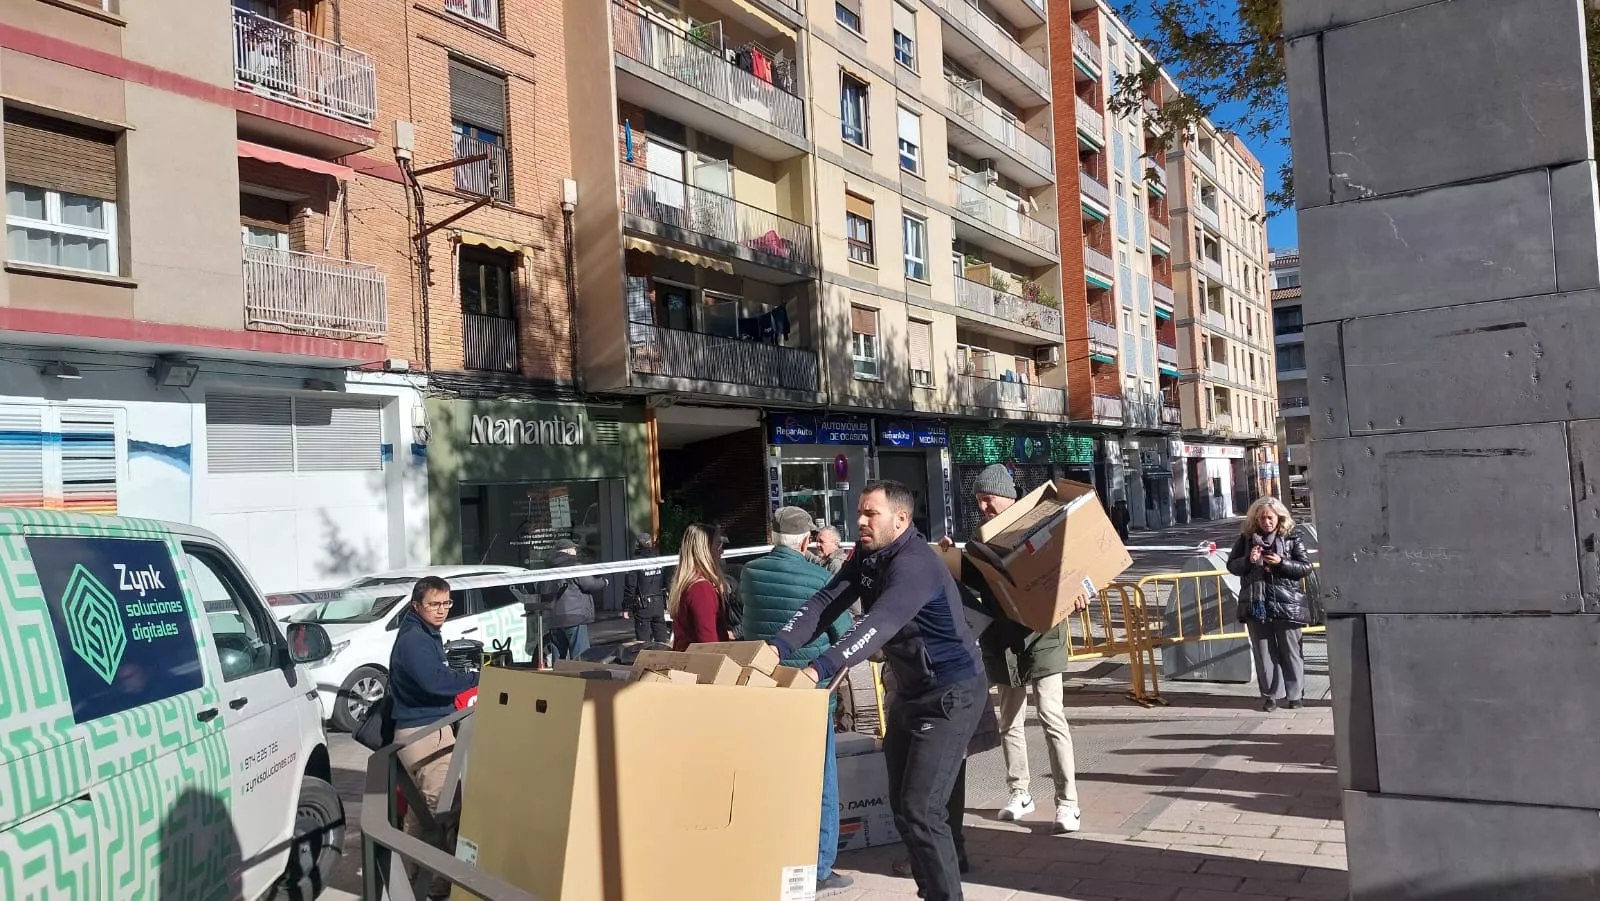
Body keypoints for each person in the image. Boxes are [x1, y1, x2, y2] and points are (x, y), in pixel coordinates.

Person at [770, 481, 984, 901]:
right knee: (903, 808)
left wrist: (819, 668)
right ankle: (932, 891)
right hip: (911, 689)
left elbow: (877, 624)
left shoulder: (916, 564)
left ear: (900, 519)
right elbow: (824, 602)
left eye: (871, 513)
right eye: (860, 512)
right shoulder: (868, 556)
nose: (861, 521)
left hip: (950, 693)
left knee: (923, 809)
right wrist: (775, 647)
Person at [738, 506, 856, 896]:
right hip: (809, 692)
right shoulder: (819, 578)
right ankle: (820, 868)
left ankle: (772, 856)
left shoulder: (750, 573)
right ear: (806, 541)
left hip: (763, 689)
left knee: (772, 778)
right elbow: (843, 631)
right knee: (821, 782)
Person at [966, 464, 1084, 833]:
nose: (983, 506)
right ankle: (1020, 792)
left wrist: (1081, 592)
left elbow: (1074, 568)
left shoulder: (1041, 525)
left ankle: (1068, 803)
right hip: (1001, 640)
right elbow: (971, 587)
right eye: (979, 500)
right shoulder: (979, 541)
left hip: (1044, 634)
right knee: (1009, 720)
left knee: (1051, 715)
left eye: (988, 499)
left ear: (1008, 497)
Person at [389, 576, 480, 898]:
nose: (441, 610)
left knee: (419, 816)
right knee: (443, 810)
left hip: (419, 731)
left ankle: (408, 882)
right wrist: (475, 678)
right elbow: (435, 681)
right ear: (417, 606)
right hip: (425, 734)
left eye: (446, 603)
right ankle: (438, 886)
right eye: (434, 604)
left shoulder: (424, 633)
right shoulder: (415, 640)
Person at [1227, 497, 1315, 712]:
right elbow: (1232, 566)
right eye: (1262, 518)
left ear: (1279, 517)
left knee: (1291, 650)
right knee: (1264, 652)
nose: (1266, 522)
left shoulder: (1291, 537)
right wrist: (1249, 560)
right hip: (1257, 604)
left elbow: (1305, 567)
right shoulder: (1246, 539)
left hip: (1287, 603)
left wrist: (1281, 562)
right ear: (1255, 519)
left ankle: (1295, 695)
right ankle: (1271, 696)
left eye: (1270, 518)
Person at [541, 539, 607, 661]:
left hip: (553, 619)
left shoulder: (548, 568)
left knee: (558, 658)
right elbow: (589, 584)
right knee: (580, 656)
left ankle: (558, 673)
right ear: (567, 551)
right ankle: (579, 674)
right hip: (574, 617)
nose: (575, 551)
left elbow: (542, 590)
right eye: (574, 549)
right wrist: (604, 581)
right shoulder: (574, 567)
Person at [668, 522, 732, 650]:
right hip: (702, 660)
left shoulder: (688, 583)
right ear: (705, 549)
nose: (722, 550)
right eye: (718, 544)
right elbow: (708, 643)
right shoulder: (701, 589)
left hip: (687, 658)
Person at [623, 531, 671, 643]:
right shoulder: (658, 559)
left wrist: (626, 608)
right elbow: (667, 581)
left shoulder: (635, 562)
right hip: (659, 604)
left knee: (643, 643)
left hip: (643, 606)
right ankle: (663, 653)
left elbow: (630, 586)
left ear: (637, 544)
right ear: (650, 543)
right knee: (661, 639)